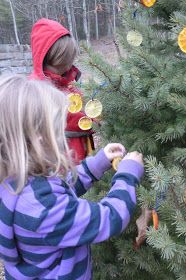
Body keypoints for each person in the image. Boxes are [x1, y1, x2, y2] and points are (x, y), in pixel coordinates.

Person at [0, 75, 144, 280]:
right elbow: (110, 218)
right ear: (41, 141)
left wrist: (98, 162)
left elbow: (60, 187)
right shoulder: (43, 207)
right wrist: (128, 174)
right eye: (58, 131)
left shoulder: (15, 181)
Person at [30, 18, 94, 163]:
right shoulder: (36, 89)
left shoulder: (66, 80)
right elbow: (60, 118)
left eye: (70, 60)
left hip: (79, 153)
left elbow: (78, 102)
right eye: (65, 61)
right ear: (48, 58)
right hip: (58, 158)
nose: (68, 66)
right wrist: (88, 117)